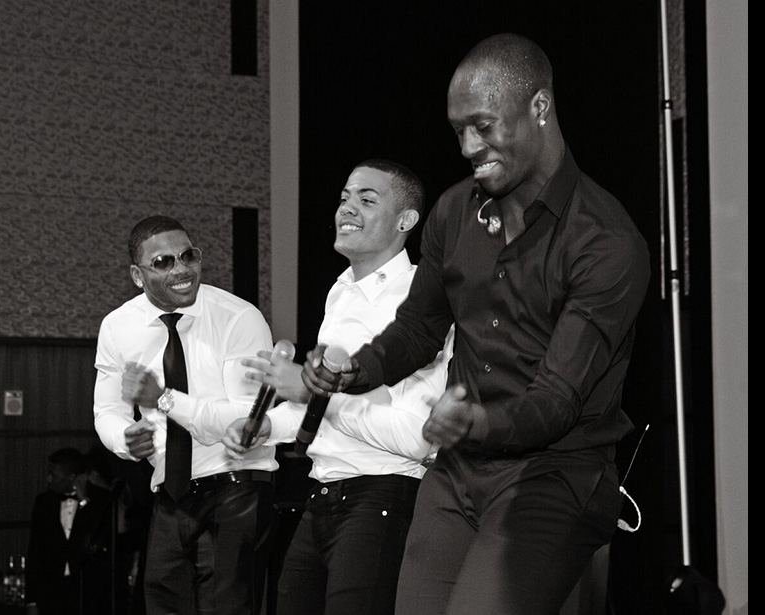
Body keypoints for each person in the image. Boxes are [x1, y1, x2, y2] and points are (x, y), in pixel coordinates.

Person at [301, 33, 652, 615]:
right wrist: (353, 371)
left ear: (539, 107)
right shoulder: (455, 211)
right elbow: (418, 328)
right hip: (458, 472)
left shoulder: (605, 243)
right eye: (458, 129)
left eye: (483, 126)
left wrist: (476, 421)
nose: (468, 146)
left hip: (554, 474)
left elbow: (557, 402)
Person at [222, 159, 453, 615]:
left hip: (384, 496)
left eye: (367, 200)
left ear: (406, 220)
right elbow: (321, 408)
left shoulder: (420, 298)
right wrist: (266, 427)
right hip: (323, 492)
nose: (346, 208)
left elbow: (416, 438)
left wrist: (312, 395)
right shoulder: (340, 291)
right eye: (345, 197)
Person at [93, 215, 276, 615]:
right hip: (170, 493)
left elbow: (246, 422)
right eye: (163, 262)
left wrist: (164, 399)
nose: (181, 270)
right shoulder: (118, 326)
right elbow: (107, 410)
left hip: (237, 486)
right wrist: (124, 439)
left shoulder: (238, 317)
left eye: (188, 256)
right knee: (162, 603)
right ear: (137, 276)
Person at [26, 446, 115, 615]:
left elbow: (98, 540)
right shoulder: (43, 502)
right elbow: (35, 552)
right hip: (51, 591)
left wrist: (84, 503)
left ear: (72, 477)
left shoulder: (100, 501)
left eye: (54, 474)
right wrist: (31, 601)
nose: (48, 479)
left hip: (87, 591)